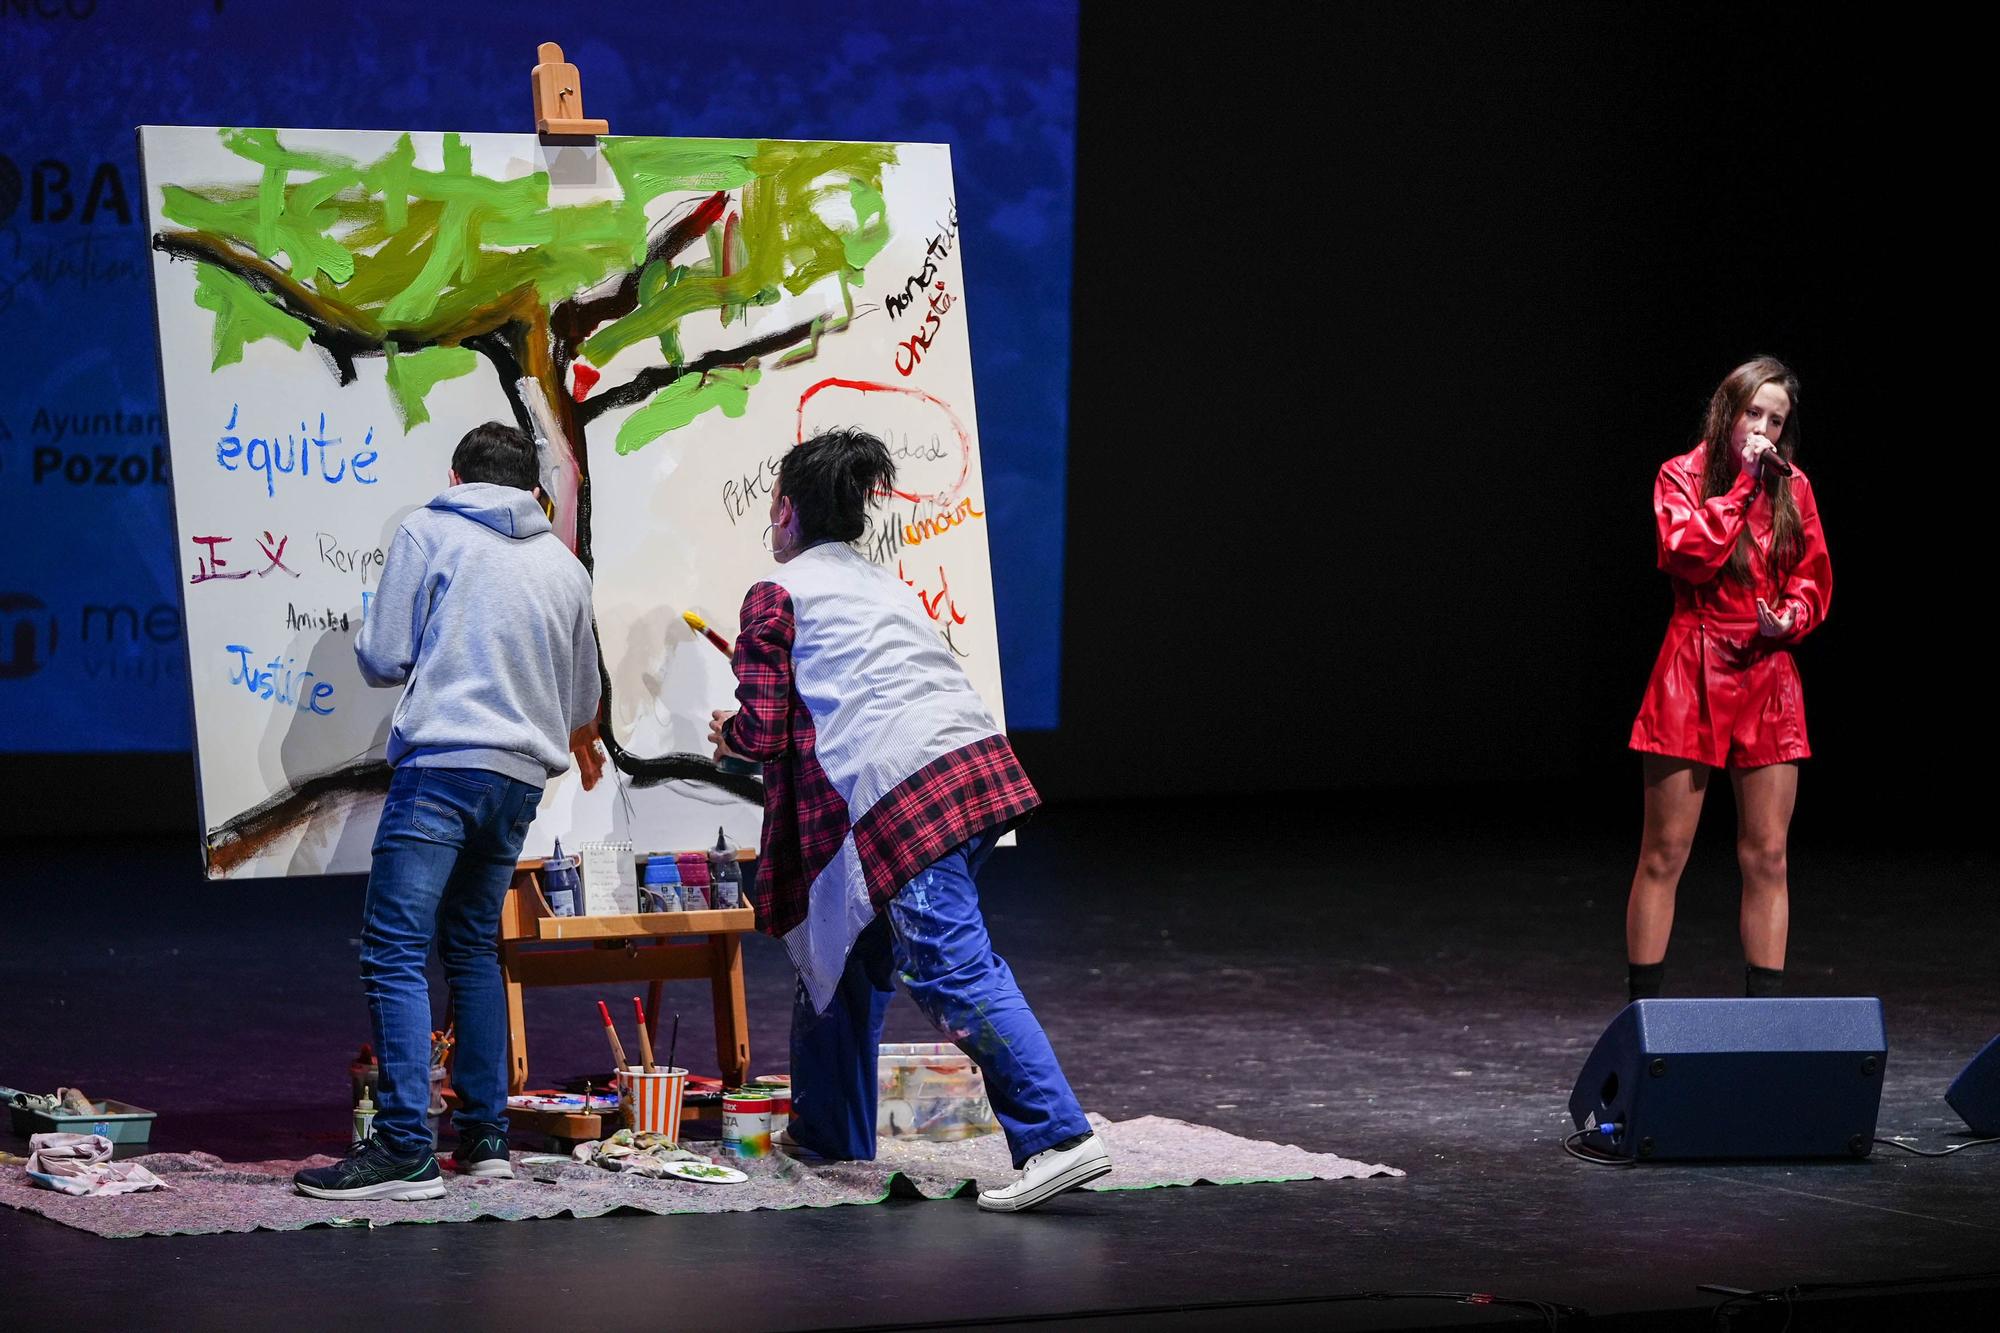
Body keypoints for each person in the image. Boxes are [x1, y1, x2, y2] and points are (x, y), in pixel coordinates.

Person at [707, 428, 1110, 1212]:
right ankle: (827, 1133)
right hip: (972, 769)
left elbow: (762, 728)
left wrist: (729, 734)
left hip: (906, 788)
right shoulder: (882, 585)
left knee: (950, 963)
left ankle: (1058, 1136)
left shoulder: (776, 593)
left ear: (785, 511)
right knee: (846, 957)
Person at [296, 421, 606, 1201]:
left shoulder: (430, 529)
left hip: (442, 768)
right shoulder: (563, 566)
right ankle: (486, 1137)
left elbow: (383, 656)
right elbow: (582, 701)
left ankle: (404, 1146)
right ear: (532, 487)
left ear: (457, 476)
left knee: (394, 948)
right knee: (472, 946)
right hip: (518, 781)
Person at [1625, 357, 1831, 1003]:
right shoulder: (1679, 475)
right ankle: (1643, 1019)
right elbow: (1689, 554)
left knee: (1767, 856)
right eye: (1755, 413)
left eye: (1777, 419)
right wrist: (1744, 486)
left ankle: (1763, 1029)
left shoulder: (1793, 487)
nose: (1764, 429)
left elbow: (1812, 575)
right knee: (1665, 853)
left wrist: (1790, 616)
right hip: (1694, 666)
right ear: (1728, 409)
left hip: (1766, 674)